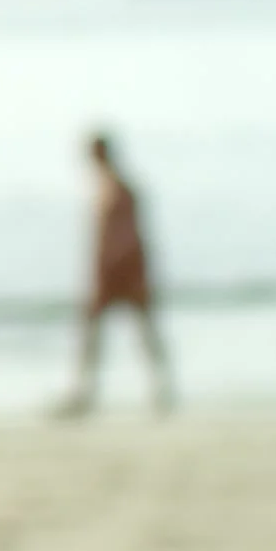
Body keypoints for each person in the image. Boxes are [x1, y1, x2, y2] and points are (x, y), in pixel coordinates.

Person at [55, 130, 174, 417]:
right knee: (99, 336)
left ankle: (161, 391)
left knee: (140, 334)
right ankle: (86, 393)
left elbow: (128, 237)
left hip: (121, 271)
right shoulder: (108, 188)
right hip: (115, 271)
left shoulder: (119, 190)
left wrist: (115, 270)